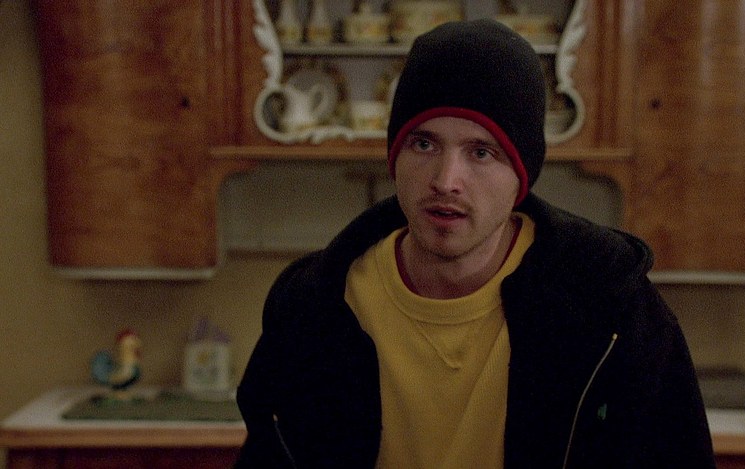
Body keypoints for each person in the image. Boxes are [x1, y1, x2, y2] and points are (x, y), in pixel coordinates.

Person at [235, 19, 715, 469]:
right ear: (395, 157)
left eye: (481, 152)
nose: (446, 180)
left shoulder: (609, 304)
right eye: (424, 144)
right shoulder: (312, 303)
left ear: (521, 176)